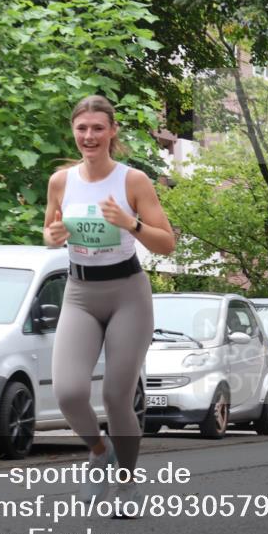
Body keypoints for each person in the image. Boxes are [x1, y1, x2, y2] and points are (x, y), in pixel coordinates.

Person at [44, 95, 175, 509]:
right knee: (67, 392)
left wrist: (130, 223)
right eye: (82, 128)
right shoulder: (61, 181)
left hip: (126, 293)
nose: (89, 136)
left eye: (98, 128)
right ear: (73, 131)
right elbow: (50, 229)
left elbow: (167, 243)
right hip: (80, 293)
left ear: (112, 131)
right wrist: (52, 237)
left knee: (118, 396)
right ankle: (99, 452)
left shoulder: (132, 181)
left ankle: (127, 487)